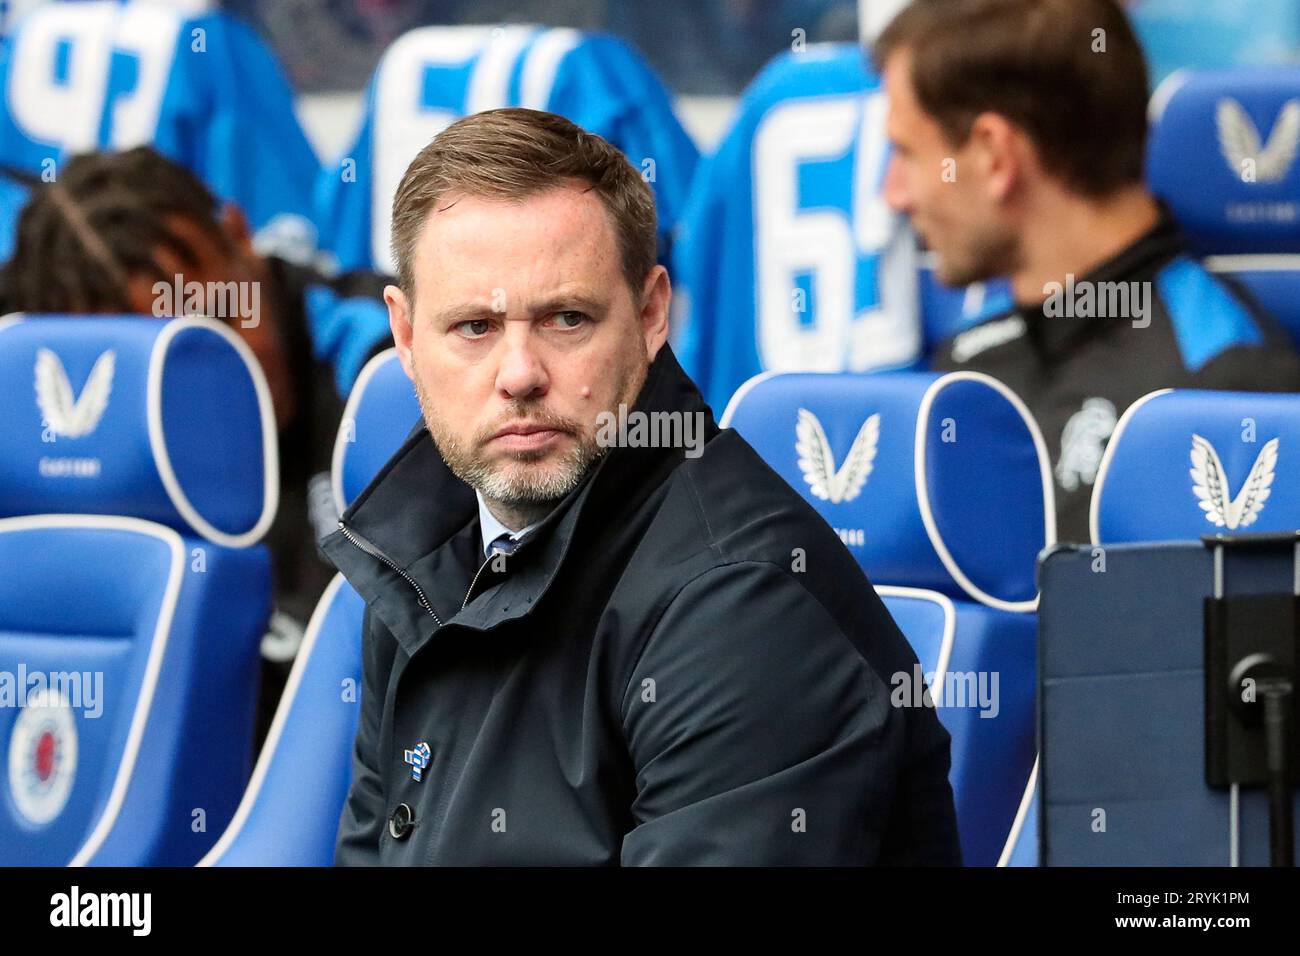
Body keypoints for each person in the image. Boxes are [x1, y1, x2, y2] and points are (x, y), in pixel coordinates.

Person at [321, 107, 960, 865]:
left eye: (566, 319)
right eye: (473, 328)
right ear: (404, 335)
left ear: (652, 314)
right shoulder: (422, 556)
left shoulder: (744, 603)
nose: (520, 374)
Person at [2, 147, 393, 745]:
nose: (230, 372)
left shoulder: (392, 367)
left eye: (220, 324)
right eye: (176, 361)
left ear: (240, 235)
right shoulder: (47, 441)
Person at [876, 0, 1300, 542]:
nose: (893, 195)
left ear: (993, 155)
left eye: (905, 152)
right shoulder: (966, 363)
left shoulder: (1224, 386)